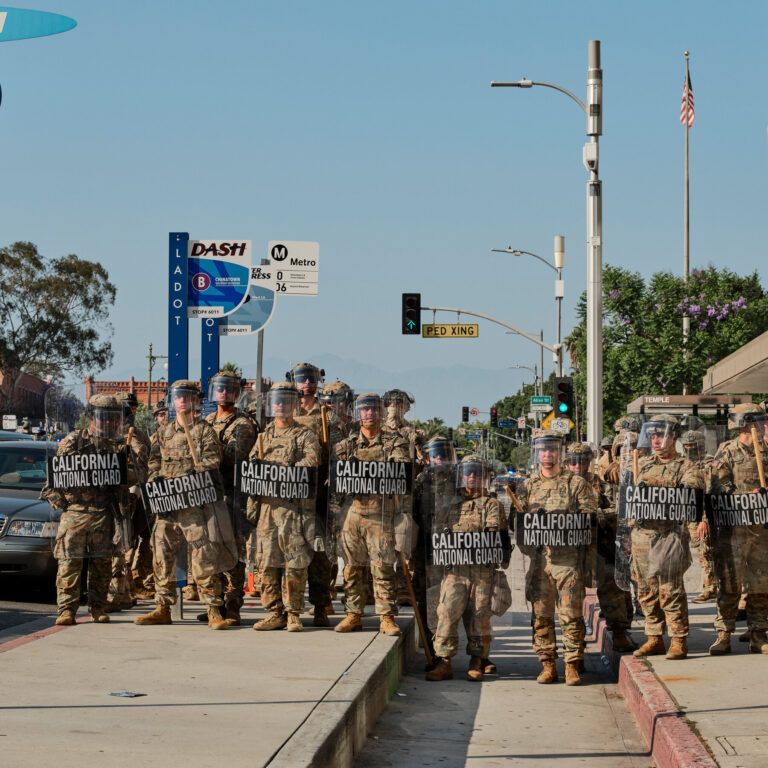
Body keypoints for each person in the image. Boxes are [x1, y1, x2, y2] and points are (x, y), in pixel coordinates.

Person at [134, 380, 230, 629]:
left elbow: (212, 460)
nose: (183, 400)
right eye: (179, 396)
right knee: (161, 554)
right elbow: (153, 461)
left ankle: (213, 609)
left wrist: (193, 472)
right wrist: (156, 478)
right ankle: (162, 607)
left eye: (187, 396)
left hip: (194, 505)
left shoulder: (203, 431)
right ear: (172, 400)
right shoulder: (164, 432)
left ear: (195, 400)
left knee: (203, 554)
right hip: (167, 504)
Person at [41, 395, 141, 625]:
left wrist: (122, 470)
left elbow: (135, 475)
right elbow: (55, 475)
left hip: (105, 512)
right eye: (102, 417)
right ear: (92, 417)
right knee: (69, 562)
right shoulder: (74, 440)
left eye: (112, 418)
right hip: (75, 511)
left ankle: (98, 607)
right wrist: (64, 504)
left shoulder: (120, 445)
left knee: (102, 563)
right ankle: (67, 610)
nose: (107, 423)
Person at [517, 431, 597, 686]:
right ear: (537, 453)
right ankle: (548, 664)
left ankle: (572, 665)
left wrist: (565, 521)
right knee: (541, 616)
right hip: (540, 561)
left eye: (552, 449)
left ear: (560, 453)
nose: (547, 454)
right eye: (543, 450)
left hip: (568, 562)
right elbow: (517, 523)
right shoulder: (527, 486)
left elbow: (590, 520)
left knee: (571, 615)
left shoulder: (576, 484)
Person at [332, 393, 411, 636]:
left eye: (372, 410)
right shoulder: (348, 443)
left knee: (383, 567)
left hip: (382, 514)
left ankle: (386, 617)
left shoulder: (394, 442)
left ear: (380, 412)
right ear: (357, 414)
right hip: (353, 514)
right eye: (363, 410)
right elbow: (336, 475)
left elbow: (401, 470)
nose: (368, 414)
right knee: (352, 568)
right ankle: (353, 614)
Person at [246, 382, 321, 632]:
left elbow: (312, 461)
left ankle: (293, 613)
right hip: (267, 507)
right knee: (266, 561)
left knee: (294, 561)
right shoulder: (263, 436)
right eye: (276, 401)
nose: (280, 406)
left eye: (285, 401)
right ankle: (274, 611)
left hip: (293, 509)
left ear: (293, 404)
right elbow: (252, 464)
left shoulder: (304, 434)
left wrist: (283, 470)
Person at [426, 454, 506, 683]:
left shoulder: (492, 505)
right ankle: (444, 661)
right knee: (447, 612)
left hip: (482, 571)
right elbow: (438, 532)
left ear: (484, 477)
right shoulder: (450, 505)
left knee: (480, 616)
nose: (472, 477)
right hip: (455, 570)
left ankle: (477, 661)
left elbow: (493, 536)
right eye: (468, 473)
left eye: (477, 473)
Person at [631, 415, 704, 660]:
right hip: (642, 536)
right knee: (646, 589)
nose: (656, 440)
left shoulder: (686, 466)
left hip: (669, 534)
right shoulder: (642, 463)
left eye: (661, 435)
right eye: (652, 435)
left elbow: (692, 491)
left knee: (670, 589)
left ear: (673, 436)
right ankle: (654, 637)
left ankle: (678, 639)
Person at [708, 403, 768, 655]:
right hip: (733, 530)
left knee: (761, 584)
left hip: (762, 531)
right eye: (759, 420)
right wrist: (743, 496)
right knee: (730, 583)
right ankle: (724, 635)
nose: (763, 424)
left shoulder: (765, 451)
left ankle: (758, 635)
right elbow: (717, 485)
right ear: (747, 422)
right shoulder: (728, 451)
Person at [565, 442, 636, 652]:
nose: (578, 466)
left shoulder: (601, 485)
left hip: (600, 546)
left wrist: (597, 515)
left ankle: (620, 632)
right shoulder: (560, 486)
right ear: (567, 463)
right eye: (574, 462)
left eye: (584, 461)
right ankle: (575, 644)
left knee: (612, 587)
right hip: (571, 551)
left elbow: (618, 510)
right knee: (570, 597)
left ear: (590, 462)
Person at [202, 371, 257, 626]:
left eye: (229, 389)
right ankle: (217, 603)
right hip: (209, 493)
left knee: (233, 552)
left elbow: (236, 455)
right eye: (220, 388)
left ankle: (233, 604)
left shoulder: (243, 423)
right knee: (212, 550)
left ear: (237, 393)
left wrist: (208, 444)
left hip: (233, 495)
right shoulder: (207, 421)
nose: (224, 393)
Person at [288, 362, 336, 626]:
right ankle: (290, 609)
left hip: (318, 493)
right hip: (290, 495)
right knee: (293, 553)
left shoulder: (327, 415)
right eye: (301, 379)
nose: (307, 383)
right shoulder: (284, 411)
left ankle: (320, 606)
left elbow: (338, 452)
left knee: (319, 554)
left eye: (311, 378)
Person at [680, 430, 717, 603]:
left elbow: (709, 494)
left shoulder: (708, 464)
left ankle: (710, 587)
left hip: (700, 516)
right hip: (684, 516)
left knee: (705, 553)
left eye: (692, 446)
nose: (688, 449)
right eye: (686, 446)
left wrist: (705, 520)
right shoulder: (685, 464)